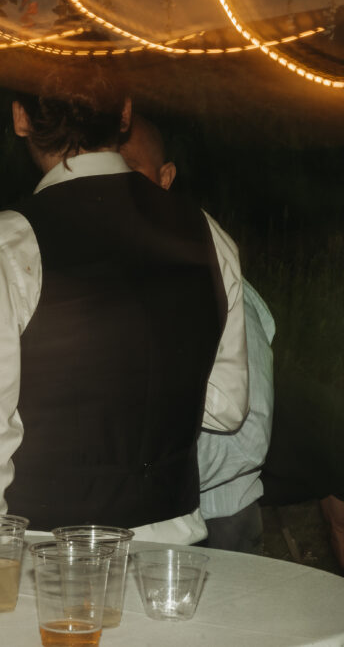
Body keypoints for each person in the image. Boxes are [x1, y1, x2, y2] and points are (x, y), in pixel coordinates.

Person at [0, 66, 249, 544]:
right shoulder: (207, 232)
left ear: (20, 118)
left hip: (48, 554)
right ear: (125, 115)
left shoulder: (5, 241)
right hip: (171, 548)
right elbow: (228, 407)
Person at [121, 114, 274, 554]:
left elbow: (249, 436)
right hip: (155, 518)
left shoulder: (215, 281)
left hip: (216, 517)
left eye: (130, 170)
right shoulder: (122, 278)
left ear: (165, 176)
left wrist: (152, 477)